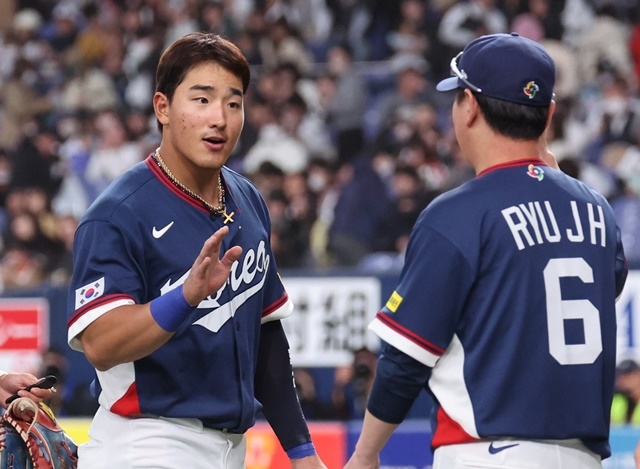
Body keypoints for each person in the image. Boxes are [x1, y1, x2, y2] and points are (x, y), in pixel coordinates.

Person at [344, 33, 628, 469]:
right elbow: (607, 283)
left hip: (488, 453)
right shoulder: (597, 210)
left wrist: (365, 455)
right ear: (548, 114)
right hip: (583, 457)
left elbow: (405, 361)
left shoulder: (457, 213)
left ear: (470, 106)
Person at [66, 32, 327, 469]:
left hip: (231, 448)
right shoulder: (117, 214)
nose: (220, 119)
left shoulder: (247, 199)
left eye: (233, 102)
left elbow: (265, 337)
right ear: (162, 107)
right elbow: (100, 342)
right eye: (202, 100)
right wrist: (184, 297)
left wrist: (301, 450)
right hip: (148, 443)